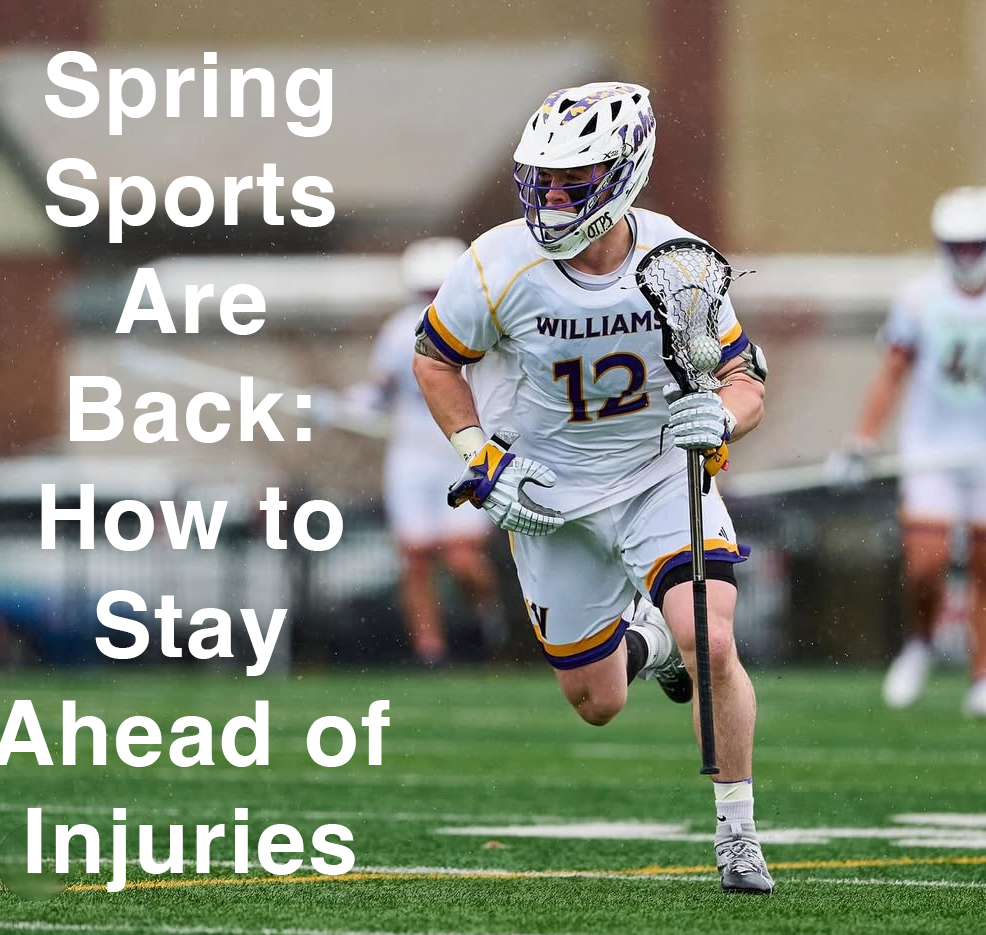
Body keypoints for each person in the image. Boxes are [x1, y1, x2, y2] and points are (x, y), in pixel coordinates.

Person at [411, 82, 774, 894]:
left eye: (571, 182)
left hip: (654, 478)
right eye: (541, 180)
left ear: (623, 173)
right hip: (547, 495)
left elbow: (744, 378)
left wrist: (719, 418)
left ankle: (737, 833)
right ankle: (643, 647)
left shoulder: (675, 258)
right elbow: (435, 358)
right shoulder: (497, 264)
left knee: (711, 639)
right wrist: (482, 457)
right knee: (596, 700)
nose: (551, 198)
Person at [826, 186, 986, 718]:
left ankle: (984, 679)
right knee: (927, 563)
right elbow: (890, 373)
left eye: (975, 244)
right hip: (931, 452)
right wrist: (861, 440)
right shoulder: (919, 298)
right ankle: (919, 645)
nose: (965, 256)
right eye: (955, 245)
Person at [313, 237, 505, 667]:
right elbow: (380, 393)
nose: (430, 301)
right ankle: (430, 653)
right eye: (424, 292)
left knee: (461, 557)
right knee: (415, 558)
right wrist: (340, 406)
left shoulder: (485, 326)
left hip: (466, 450)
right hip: (412, 456)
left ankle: (486, 619)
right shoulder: (400, 330)